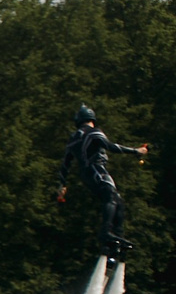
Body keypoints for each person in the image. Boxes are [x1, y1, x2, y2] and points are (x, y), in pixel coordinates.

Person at [56, 104, 148, 258]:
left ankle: (114, 242)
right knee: (111, 198)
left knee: (117, 202)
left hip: (86, 175)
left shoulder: (73, 138)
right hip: (97, 170)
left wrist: (62, 184)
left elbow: (65, 164)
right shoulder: (93, 133)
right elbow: (110, 146)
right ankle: (106, 234)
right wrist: (135, 151)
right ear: (92, 118)